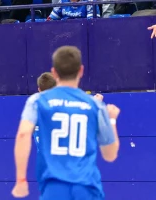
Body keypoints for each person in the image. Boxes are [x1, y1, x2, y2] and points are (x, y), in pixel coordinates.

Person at [11, 45, 120, 199]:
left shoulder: (37, 101)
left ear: (54, 73)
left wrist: (21, 179)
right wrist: (112, 120)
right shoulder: (95, 105)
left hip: (54, 188)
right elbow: (110, 155)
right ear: (81, 71)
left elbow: (23, 135)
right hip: (87, 187)